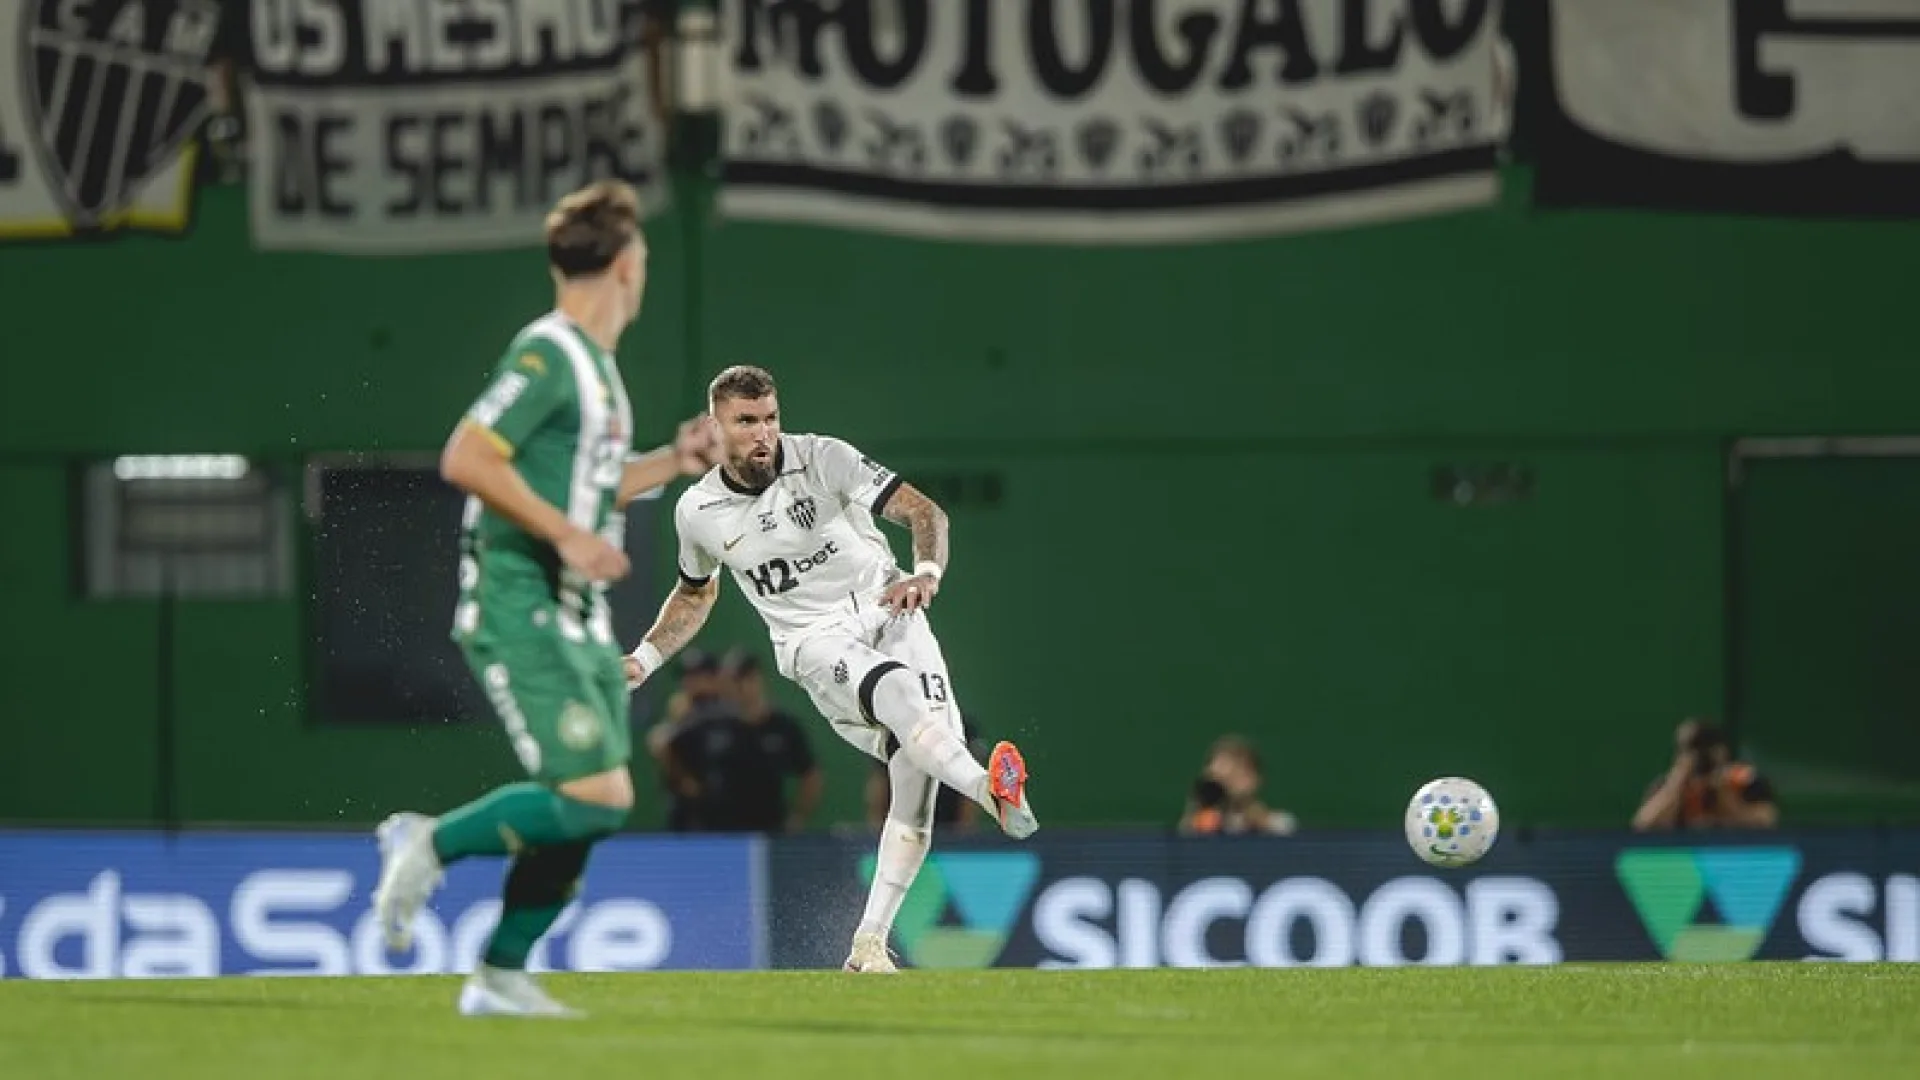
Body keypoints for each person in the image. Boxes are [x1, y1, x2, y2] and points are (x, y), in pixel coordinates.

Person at [369, 180, 719, 1018]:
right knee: (591, 796)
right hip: (520, 600)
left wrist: (670, 460)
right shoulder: (550, 355)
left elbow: (593, 491)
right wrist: (565, 538)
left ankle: (498, 976)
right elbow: (468, 456)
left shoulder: (597, 372)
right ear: (629, 267)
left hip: (576, 616)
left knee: (596, 807)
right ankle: (430, 841)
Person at [623, 364, 1038, 974]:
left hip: (892, 607)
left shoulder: (825, 459)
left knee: (917, 778)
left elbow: (927, 514)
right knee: (900, 695)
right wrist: (644, 657)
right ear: (716, 426)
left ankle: (868, 943)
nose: (762, 433)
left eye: (770, 418)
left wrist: (927, 574)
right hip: (813, 641)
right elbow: (694, 593)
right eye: (745, 422)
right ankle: (987, 789)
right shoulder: (699, 511)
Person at [1632, 718, 1779, 832]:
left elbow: (1765, 823)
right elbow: (1643, 826)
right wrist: (1677, 783)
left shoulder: (1745, 780)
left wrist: (1723, 792)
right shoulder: (1669, 786)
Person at [1177, 735, 1297, 836]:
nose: (1224, 785)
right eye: (1216, 777)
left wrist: (1256, 820)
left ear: (1253, 779)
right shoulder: (1203, 824)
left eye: (1234, 774)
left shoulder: (1278, 823)